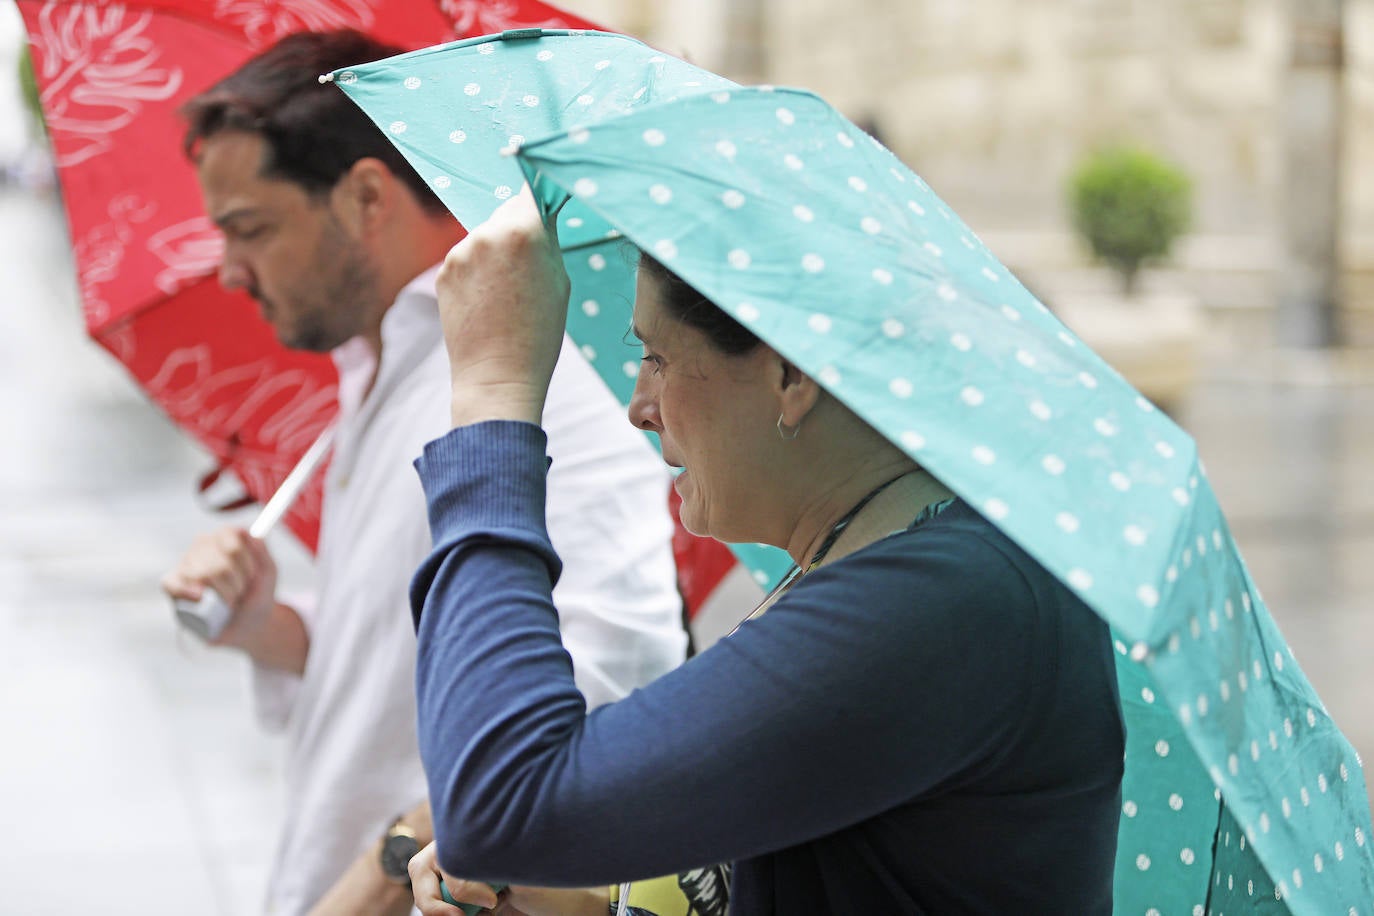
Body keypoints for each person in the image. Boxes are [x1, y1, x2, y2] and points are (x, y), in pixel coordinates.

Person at [403, 188, 1126, 915]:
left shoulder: (945, 602)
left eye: (656, 356)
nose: (638, 404)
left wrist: (492, 399)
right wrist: (565, 900)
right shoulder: (881, 560)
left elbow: (500, 805)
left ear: (791, 373)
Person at [158, 31, 688, 916]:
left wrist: (390, 867)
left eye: (251, 228)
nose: (229, 271)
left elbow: (608, 676)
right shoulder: (376, 370)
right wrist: (273, 628)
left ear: (367, 194)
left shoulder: (529, 372)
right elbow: (419, 637)